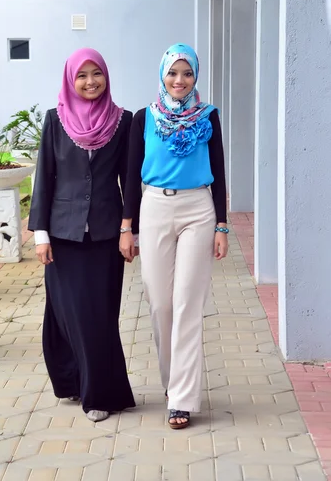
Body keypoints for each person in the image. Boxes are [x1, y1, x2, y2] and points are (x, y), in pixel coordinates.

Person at [120, 43, 228, 430]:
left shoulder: (209, 116)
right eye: (173, 73)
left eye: (187, 73)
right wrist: (126, 226)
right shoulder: (143, 118)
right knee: (160, 303)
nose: (180, 80)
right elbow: (132, 175)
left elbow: (219, 170)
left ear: (195, 76)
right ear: (163, 75)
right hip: (155, 208)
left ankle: (182, 398)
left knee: (186, 303)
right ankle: (172, 383)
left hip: (199, 209)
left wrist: (221, 225)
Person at [29, 47, 135, 422]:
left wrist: (128, 229)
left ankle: (99, 395)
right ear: (70, 80)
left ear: (106, 76)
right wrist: (41, 233)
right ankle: (73, 381)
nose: (90, 82)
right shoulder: (55, 120)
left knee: (100, 315)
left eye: (97, 74)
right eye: (82, 75)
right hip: (63, 235)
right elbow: (45, 177)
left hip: (106, 236)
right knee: (66, 313)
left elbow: (129, 181)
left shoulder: (123, 122)